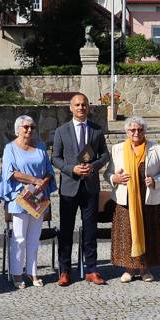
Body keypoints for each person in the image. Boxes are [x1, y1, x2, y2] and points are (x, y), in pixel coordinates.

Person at [52, 93, 110, 287]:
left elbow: (104, 155)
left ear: (88, 107)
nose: (80, 108)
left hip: (90, 187)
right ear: (71, 108)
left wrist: (93, 166)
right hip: (69, 187)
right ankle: (65, 271)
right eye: (77, 105)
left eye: (84, 104)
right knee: (66, 231)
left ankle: (91, 270)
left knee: (90, 230)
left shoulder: (96, 130)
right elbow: (55, 158)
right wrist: (71, 169)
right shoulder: (61, 131)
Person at [107, 117, 160, 283]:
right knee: (127, 234)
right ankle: (129, 269)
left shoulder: (156, 148)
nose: (136, 133)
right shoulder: (117, 149)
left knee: (147, 233)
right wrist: (115, 178)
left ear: (144, 131)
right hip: (126, 200)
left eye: (140, 130)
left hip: (147, 199)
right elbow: (108, 173)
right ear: (127, 131)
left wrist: (155, 181)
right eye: (132, 130)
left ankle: (144, 269)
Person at [0, 115, 55, 289]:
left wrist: (43, 182)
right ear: (18, 129)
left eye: (32, 127)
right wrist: (33, 180)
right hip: (20, 197)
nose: (29, 130)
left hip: (38, 196)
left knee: (34, 237)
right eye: (25, 127)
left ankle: (32, 272)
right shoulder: (10, 148)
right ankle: (16, 274)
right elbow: (10, 172)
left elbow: (48, 170)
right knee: (19, 238)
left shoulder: (40, 147)